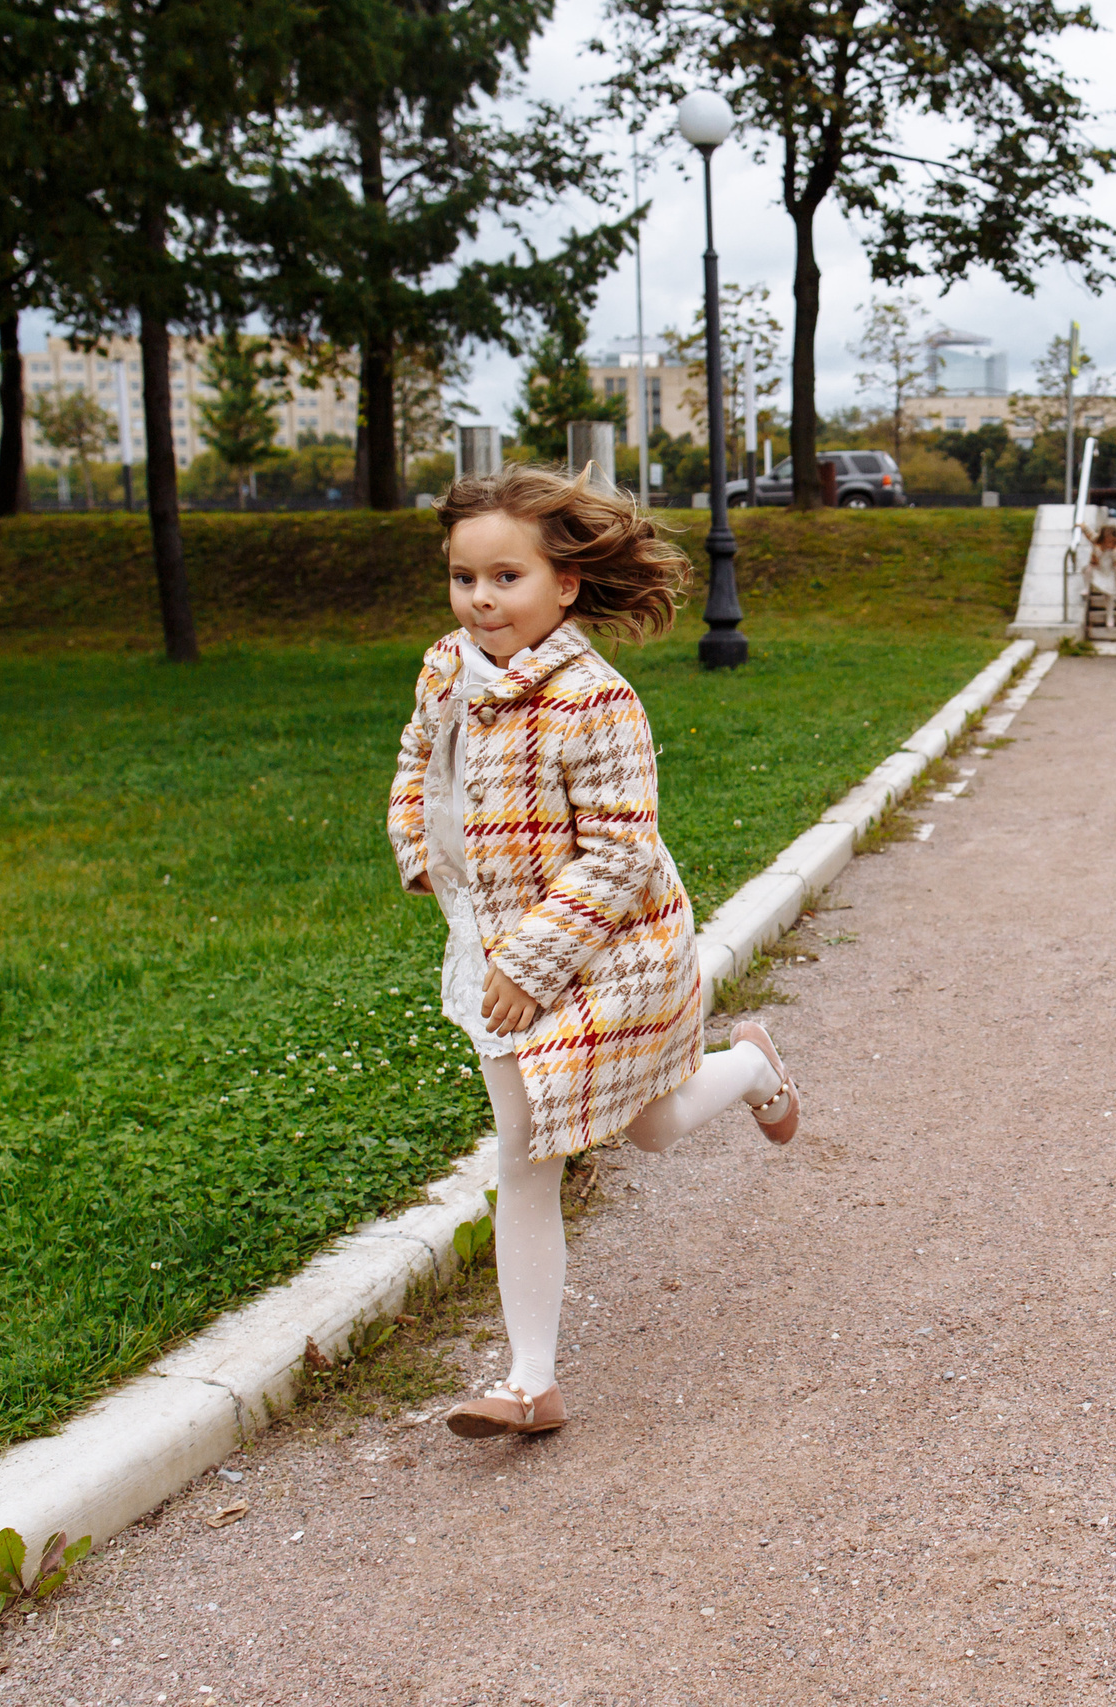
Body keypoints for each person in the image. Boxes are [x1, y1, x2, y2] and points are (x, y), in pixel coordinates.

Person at [389, 464, 802, 1440]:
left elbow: (622, 853)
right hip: (491, 955)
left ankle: (748, 1067)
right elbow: (416, 765)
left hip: (610, 956)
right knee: (527, 1155)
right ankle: (532, 1382)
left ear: (563, 584)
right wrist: (422, 859)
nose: (480, 600)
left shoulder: (594, 700)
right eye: (463, 579)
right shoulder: (445, 668)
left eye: (505, 579)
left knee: (651, 1129)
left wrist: (531, 964)